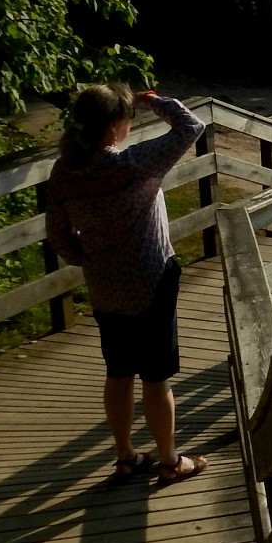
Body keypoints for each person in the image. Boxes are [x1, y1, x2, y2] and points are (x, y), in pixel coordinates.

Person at [46, 83, 210, 484]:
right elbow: (191, 126)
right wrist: (153, 100)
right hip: (151, 281)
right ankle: (170, 463)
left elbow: (58, 234)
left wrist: (88, 261)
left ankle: (125, 457)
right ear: (116, 126)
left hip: (105, 288)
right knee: (156, 378)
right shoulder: (134, 163)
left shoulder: (64, 172)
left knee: (118, 374)